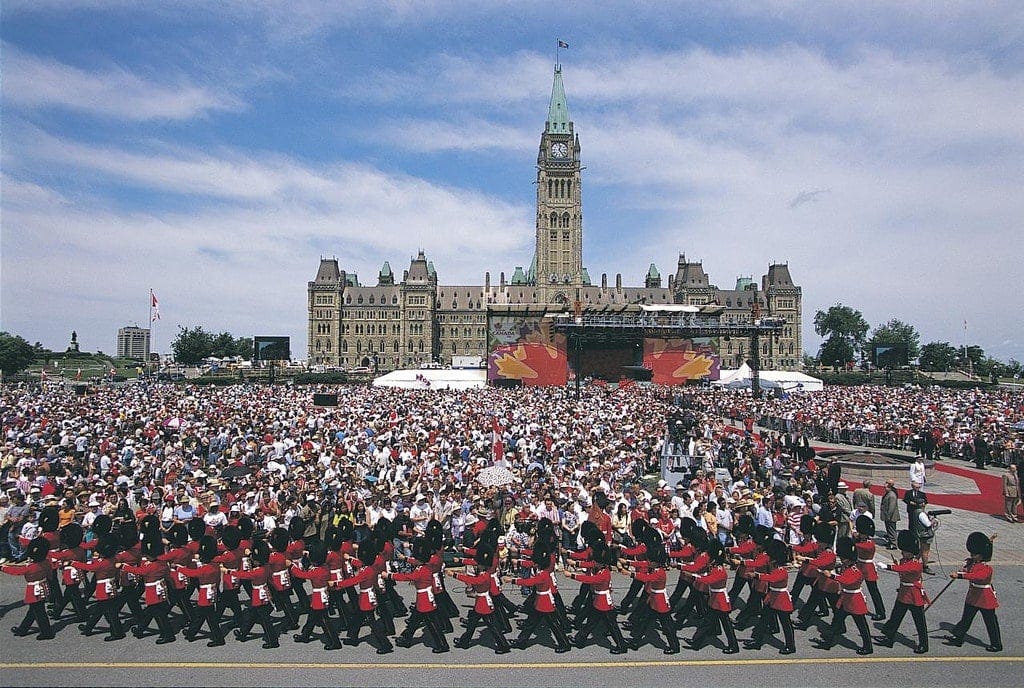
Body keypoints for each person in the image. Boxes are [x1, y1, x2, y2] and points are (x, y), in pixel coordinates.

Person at [814, 537, 872, 655]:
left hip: (855, 601)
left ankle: (868, 646)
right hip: (845, 599)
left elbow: (847, 581)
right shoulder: (846, 566)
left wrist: (832, 576)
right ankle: (827, 642)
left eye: (844, 558)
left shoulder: (855, 570)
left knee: (862, 626)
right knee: (836, 620)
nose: (842, 559)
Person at [946, 532, 1001, 653]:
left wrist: (960, 575)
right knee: (966, 619)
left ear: (982, 555)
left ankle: (996, 644)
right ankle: (958, 637)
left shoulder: (986, 568)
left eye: (974, 554)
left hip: (985, 598)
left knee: (990, 622)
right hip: (973, 596)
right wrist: (964, 568)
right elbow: (969, 569)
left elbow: (977, 576)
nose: (972, 555)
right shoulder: (974, 562)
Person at [875, 530, 928, 654]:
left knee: (919, 622)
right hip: (904, 593)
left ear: (911, 552)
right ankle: (889, 638)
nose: (903, 553)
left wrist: (888, 567)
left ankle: (923, 644)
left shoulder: (916, 564)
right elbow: (902, 571)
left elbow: (904, 569)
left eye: (905, 551)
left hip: (914, 595)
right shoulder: (904, 560)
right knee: (895, 617)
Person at [1, 536, 55, 640]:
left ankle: (47, 632)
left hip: (33, 591)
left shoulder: (31, 567)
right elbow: (50, 575)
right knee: (33, 611)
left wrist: (3, 568)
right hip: (44, 587)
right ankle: (22, 629)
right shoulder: (46, 562)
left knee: (39, 613)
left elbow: (16, 571)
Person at [880, 481, 900, 549]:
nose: (884, 489)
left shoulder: (891, 495)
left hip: (891, 516)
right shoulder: (888, 494)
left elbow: (892, 507)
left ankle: (893, 543)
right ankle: (890, 541)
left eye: (885, 487)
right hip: (887, 515)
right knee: (889, 529)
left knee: (891, 529)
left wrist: (888, 516)